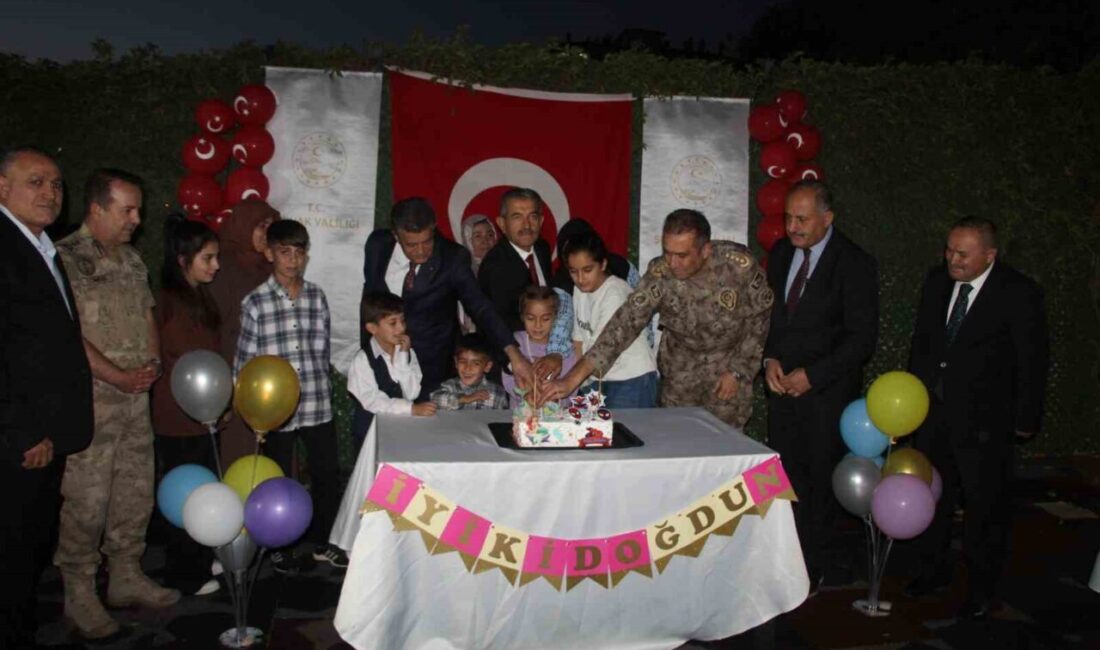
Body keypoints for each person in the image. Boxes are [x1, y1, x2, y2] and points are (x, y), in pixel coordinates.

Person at [54, 168, 179, 640]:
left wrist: (149, 365)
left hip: (134, 399)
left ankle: (125, 573)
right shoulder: (64, 259)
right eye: (127, 209)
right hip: (92, 402)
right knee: (87, 501)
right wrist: (119, 376)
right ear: (97, 208)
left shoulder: (130, 260)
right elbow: (68, 336)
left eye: (138, 209)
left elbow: (148, 315)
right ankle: (79, 590)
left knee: (134, 490)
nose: (137, 218)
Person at [905, 217, 1048, 618]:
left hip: (987, 422)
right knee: (934, 497)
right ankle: (932, 572)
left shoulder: (1019, 292)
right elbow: (923, 343)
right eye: (949, 250)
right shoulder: (936, 282)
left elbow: (1032, 361)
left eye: (963, 254)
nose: (953, 260)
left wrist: (1026, 419)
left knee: (986, 509)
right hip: (933, 416)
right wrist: (915, 399)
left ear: (990, 255)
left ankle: (983, 588)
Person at [543, 209, 773, 428]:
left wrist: (738, 371)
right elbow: (622, 325)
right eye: (667, 252)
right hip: (680, 371)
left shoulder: (738, 267)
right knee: (676, 442)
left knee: (726, 444)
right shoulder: (659, 274)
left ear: (705, 250)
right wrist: (572, 379)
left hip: (728, 367)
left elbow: (759, 320)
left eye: (682, 255)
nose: (672, 263)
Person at [762, 180, 879, 591]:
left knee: (819, 484)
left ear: (827, 218)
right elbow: (772, 319)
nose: (792, 227)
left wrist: (812, 376)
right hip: (782, 393)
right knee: (784, 480)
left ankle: (814, 568)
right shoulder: (779, 254)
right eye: (788, 217)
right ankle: (783, 561)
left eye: (802, 219)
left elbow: (861, 339)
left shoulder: (855, 263)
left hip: (826, 398)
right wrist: (770, 359)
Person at [0, 147, 93, 647]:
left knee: (32, 548)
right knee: (13, 552)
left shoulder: (40, 245)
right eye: (35, 182)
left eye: (56, 184)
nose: (50, 194)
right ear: (1, 187)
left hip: (47, 434)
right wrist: (21, 431)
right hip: (21, 439)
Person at [235, 219, 345, 571]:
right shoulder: (255, 303)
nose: (293, 260)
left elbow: (321, 350)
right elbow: (245, 363)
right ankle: (278, 544)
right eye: (285, 252)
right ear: (269, 253)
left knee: (326, 475)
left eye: (299, 252)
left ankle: (322, 541)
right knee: (279, 477)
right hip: (275, 408)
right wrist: (254, 413)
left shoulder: (316, 296)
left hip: (315, 401)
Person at [360, 197, 534, 398]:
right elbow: (369, 300)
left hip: (430, 370)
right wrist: (367, 350)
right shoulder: (377, 245)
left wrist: (514, 355)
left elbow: (480, 308)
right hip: (379, 361)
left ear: (434, 229)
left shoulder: (452, 258)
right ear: (396, 235)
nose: (420, 251)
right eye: (411, 245)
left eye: (427, 242)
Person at [151, 215, 223, 596]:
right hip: (180, 413)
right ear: (183, 260)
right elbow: (185, 360)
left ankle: (197, 554)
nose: (215, 266)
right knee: (184, 490)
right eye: (207, 258)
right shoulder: (171, 303)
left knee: (202, 484)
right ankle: (183, 572)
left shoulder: (196, 294)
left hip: (201, 412)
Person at [209, 199, 280, 467]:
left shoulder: (272, 268)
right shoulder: (223, 265)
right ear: (242, 227)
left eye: (271, 226)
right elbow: (215, 324)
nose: (267, 233)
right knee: (241, 447)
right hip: (235, 367)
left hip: (272, 374)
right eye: (260, 226)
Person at [565, 231, 658, 408]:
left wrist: (570, 380)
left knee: (627, 434)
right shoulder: (579, 289)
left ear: (603, 264)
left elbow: (600, 348)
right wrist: (581, 385)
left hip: (632, 379)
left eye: (587, 270)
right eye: (573, 272)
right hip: (595, 377)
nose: (581, 278)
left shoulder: (615, 293)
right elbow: (579, 340)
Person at [348, 291, 437, 449]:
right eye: (393, 323)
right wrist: (410, 409)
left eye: (403, 321)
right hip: (371, 434)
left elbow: (411, 393)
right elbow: (372, 400)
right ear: (372, 328)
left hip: (401, 431)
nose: (401, 328)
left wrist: (403, 356)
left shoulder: (408, 353)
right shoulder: (362, 360)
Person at [502, 286, 578, 403]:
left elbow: (572, 384)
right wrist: (525, 394)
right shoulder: (514, 342)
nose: (538, 325)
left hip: (556, 417)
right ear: (522, 316)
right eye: (531, 318)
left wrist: (554, 397)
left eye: (545, 319)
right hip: (521, 416)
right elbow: (507, 377)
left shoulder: (566, 348)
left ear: (555, 318)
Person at [430, 335, 510, 410]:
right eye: (463, 361)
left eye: (476, 363)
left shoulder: (497, 392)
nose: (468, 368)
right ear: (456, 362)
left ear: (487, 366)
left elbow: (502, 419)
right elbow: (434, 399)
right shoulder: (449, 386)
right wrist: (464, 398)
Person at [458, 214, 498, 333]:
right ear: (468, 240)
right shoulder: (462, 272)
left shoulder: (505, 268)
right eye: (477, 236)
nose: (485, 241)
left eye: (490, 235)